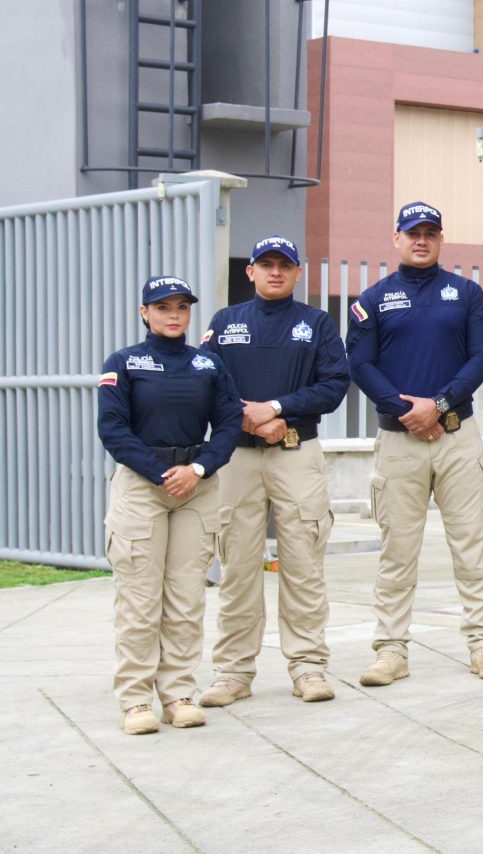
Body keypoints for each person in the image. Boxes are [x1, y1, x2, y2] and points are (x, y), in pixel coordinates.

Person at [346, 202, 483, 685]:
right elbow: (361, 364)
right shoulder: (372, 300)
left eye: (431, 233)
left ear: (441, 240)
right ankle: (391, 652)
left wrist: (437, 405)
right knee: (397, 551)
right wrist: (407, 412)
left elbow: (482, 357)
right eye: (412, 232)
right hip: (399, 442)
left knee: (472, 547)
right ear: (395, 238)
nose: (421, 240)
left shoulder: (466, 294)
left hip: (457, 437)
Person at [196, 237, 350, 708]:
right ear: (251, 271)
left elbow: (334, 383)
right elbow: (206, 378)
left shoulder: (316, 323)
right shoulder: (225, 322)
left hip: (294, 450)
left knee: (302, 560)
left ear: (298, 272)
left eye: (285, 265)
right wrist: (243, 417)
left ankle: (308, 668)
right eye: (267, 264)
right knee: (238, 565)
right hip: (237, 459)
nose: (276, 273)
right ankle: (232, 673)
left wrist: (280, 410)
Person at [97, 276, 242, 735]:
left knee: (184, 598)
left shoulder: (208, 364)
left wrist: (197, 470)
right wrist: (162, 473)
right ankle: (136, 700)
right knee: (140, 599)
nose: (173, 314)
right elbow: (113, 430)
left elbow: (228, 422)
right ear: (145, 313)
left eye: (181, 306)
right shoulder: (123, 364)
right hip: (143, 484)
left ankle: (178, 693)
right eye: (163, 307)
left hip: (196, 486)